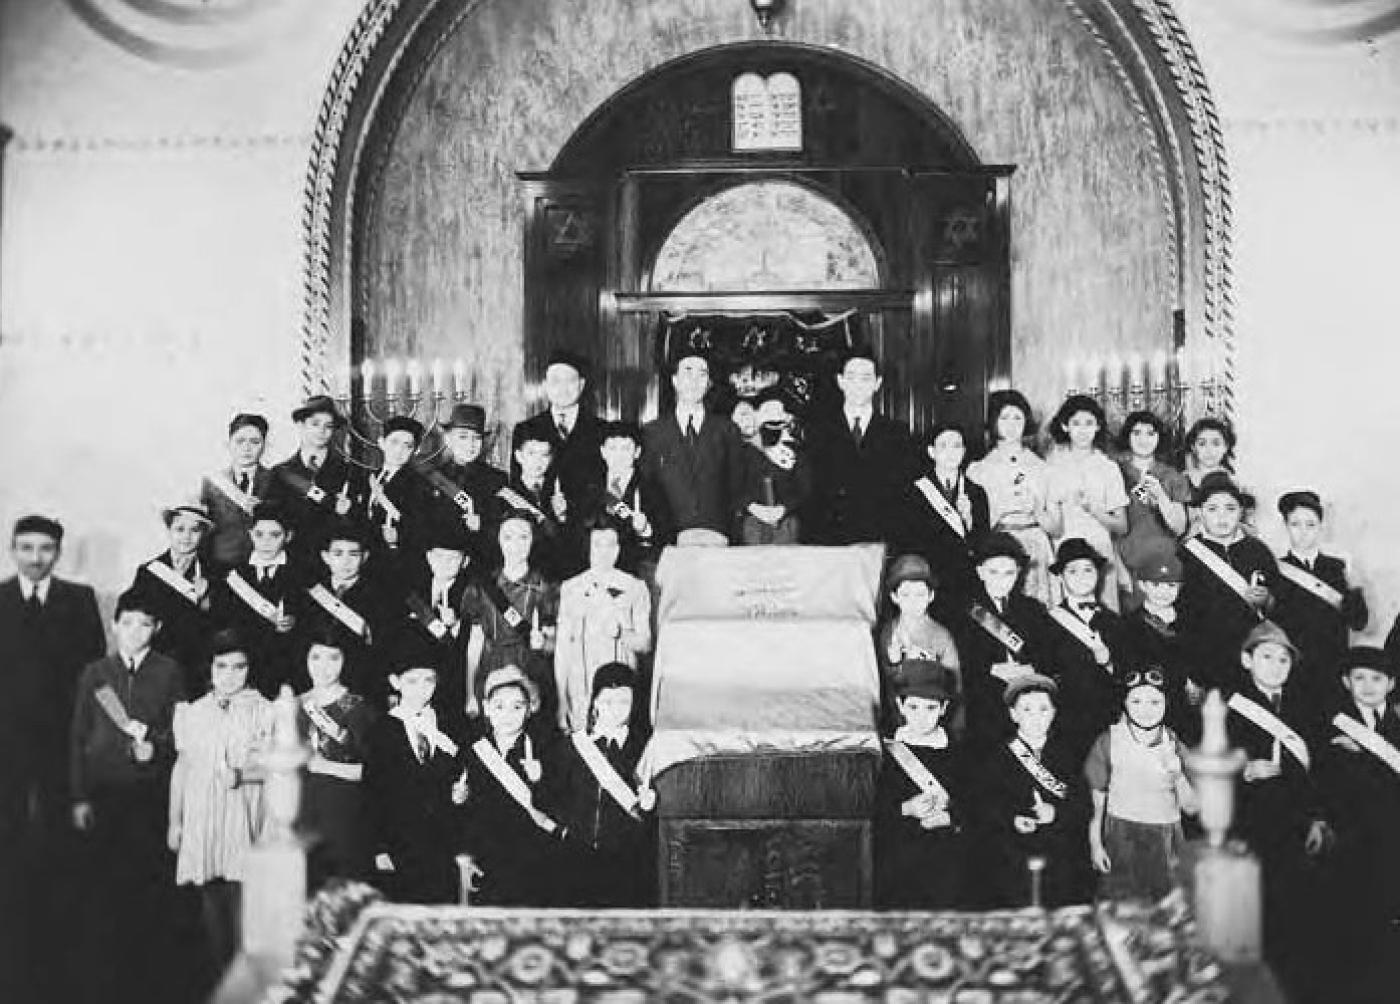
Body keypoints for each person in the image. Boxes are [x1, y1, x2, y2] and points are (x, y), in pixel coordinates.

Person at [0, 515, 105, 1004]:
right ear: (12, 551)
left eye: (45, 548)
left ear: (59, 552)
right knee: (9, 832)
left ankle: (60, 929)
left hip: (62, 738)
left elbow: (93, 674)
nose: (35, 557)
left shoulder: (78, 600)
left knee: (63, 834)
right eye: (26, 548)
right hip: (7, 738)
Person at [69, 588, 187, 1004]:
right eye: (128, 622)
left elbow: (181, 732)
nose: (135, 630)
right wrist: (80, 796)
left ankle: (148, 968)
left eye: (145, 623)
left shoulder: (170, 671)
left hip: (150, 792)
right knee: (104, 883)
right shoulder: (95, 673)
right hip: (105, 792)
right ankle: (106, 967)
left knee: (148, 881)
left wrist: (156, 744)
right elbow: (78, 737)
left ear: (157, 629)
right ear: (115, 625)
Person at [1225, 620, 1331, 999]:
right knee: (1255, 909)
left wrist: (1317, 816)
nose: (1275, 666)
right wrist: (1242, 770)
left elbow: (1318, 767)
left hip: (1295, 822)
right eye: (1266, 657)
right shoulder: (1228, 709)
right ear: (1246, 660)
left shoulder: (1304, 705)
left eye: (1283, 660)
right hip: (1249, 823)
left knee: (1297, 905)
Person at [167, 630, 272, 974]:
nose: (230, 675)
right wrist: (175, 821)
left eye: (238, 667)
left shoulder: (264, 711)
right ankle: (220, 977)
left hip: (244, 819)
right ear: (209, 669)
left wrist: (244, 776)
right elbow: (182, 767)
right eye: (221, 666)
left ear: (250, 669)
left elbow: (278, 770)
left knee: (244, 901)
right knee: (210, 899)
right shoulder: (191, 712)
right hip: (203, 818)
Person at [973, 674, 1090, 908]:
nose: (1036, 718)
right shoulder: (997, 757)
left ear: (1054, 713)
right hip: (1013, 857)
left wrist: (1056, 814)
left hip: (1061, 857)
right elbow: (984, 804)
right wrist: (1012, 818)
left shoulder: (1071, 755)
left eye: (1043, 709)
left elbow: (1084, 803)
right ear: (1013, 714)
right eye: (1027, 710)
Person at [1084, 668, 1198, 902]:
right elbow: (1096, 807)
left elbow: (1192, 808)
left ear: (1166, 704)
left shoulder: (1175, 745)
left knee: (1166, 913)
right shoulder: (1108, 742)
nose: (1145, 709)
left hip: (1165, 840)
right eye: (1136, 700)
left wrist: (1178, 776)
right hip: (1120, 837)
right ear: (1125, 703)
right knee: (1121, 912)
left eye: (1155, 701)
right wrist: (1096, 845)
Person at [1322, 647, 1400, 984]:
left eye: (1377, 678)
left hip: (1394, 830)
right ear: (1345, 682)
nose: (1368, 686)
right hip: (1352, 831)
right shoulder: (1332, 722)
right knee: (1355, 910)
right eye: (1359, 678)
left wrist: (1365, 756)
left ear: (1391, 684)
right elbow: (1330, 780)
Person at [365, 654, 468, 904]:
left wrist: (461, 794)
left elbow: (462, 774)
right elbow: (372, 793)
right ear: (395, 681)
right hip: (399, 842)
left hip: (443, 841)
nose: (421, 689)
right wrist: (378, 848)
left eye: (428, 680)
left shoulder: (450, 724)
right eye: (412, 681)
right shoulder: (381, 729)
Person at [460, 666, 565, 906]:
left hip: (531, 857)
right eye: (499, 707)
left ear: (530, 709)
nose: (508, 714)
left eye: (517, 707)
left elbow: (554, 809)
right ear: (486, 708)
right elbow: (468, 815)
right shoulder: (474, 752)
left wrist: (539, 780)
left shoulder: (547, 750)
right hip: (487, 855)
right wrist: (458, 799)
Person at [555, 662, 657, 907]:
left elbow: (651, 823)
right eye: (607, 701)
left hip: (626, 861)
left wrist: (649, 806)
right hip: (576, 857)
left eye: (623, 702)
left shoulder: (645, 749)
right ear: (595, 703)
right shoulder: (573, 747)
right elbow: (556, 797)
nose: (614, 710)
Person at [873, 659, 969, 909]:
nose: (921, 717)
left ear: (944, 708)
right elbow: (874, 811)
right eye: (913, 707)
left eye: (930, 708)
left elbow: (977, 805)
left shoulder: (960, 754)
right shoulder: (885, 754)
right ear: (900, 705)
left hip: (947, 864)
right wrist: (906, 809)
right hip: (899, 865)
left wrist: (950, 818)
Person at [1177, 472, 1277, 691]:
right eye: (1213, 509)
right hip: (1204, 656)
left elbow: (1280, 601)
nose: (1222, 517)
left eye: (1230, 508)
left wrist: (1267, 600)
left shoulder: (1258, 551)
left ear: (1241, 512)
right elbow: (1181, 614)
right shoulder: (1186, 554)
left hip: (1250, 657)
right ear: (1200, 512)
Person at [804, 350, 914, 545]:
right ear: (840, 381)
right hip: (830, 541)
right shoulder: (817, 431)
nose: (858, 385)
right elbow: (811, 491)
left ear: (877, 384)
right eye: (851, 377)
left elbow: (902, 496)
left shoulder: (897, 433)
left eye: (865, 378)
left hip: (879, 541)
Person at [952, 531, 1051, 748]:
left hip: (1026, 699)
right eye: (993, 572)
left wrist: (1029, 668)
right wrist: (992, 669)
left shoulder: (1032, 610)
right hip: (984, 699)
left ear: (1018, 573)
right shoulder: (965, 612)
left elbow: (1047, 655)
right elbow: (960, 660)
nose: (1001, 581)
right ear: (980, 572)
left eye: (1008, 573)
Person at [1271, 489, 1368, 708]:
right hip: (1292, 672)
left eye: (1310, 525)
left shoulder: (1338, 568)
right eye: (1295, 524)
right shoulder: (1275, 570)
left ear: (1321, 527)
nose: (1303, 532)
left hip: (1334, 668)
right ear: (1286, 526)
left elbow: (1359, 622)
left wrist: (1354, 585)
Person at [554, 519, 653, 732]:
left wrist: (622, 633)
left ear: (618, 549)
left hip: (618, 692)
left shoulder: (635, 587)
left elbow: (645, 644)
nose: (604, 552)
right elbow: (562, 648)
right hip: (580, 689)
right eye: (597, 544)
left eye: (610, 545)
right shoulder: (570, 588)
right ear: (588, 547)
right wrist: (562, 699)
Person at [297, 629, 377, 889]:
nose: (324, 667)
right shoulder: (292, 705)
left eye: (334, 658)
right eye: (316, 657)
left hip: (345, 811)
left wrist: (324, 766)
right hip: (302, 810)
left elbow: (372, 771)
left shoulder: (358, 708)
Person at [641, 351, 746, 546]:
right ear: (674, 380)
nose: (694, 380)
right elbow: (648, 488)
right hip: (668, 542)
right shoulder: (652, 432)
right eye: (688, 372)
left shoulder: (727, 430)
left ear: (708, 384)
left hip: (718, 540)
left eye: (702, 374)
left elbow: (737, 488)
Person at [462, 514, 559, 721]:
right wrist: (470, 692)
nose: (515, 545)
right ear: (498, 540)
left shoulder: (546, 588)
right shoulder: (481, 588)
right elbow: (474, 643)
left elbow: (555, 642)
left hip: (533, 668)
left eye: (523, 537)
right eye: (508, 537)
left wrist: (544, 643)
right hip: (491, 665)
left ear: (533, 540)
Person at [1043, 538, 1132, 760]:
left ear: (1098, 574)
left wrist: (1109, 663)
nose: (1081, 577)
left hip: (1109, 721)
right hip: (1068, 725)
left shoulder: (1116, 623)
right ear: (1061, 577)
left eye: (1088, 570)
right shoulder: (1047, 624)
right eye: (1072, 571)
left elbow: (1128, 676)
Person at [966, 390, 1055, 604]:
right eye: (1004, 417)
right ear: (994, 422)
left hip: (1035, 545)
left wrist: (1036, 510)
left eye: (1018, 417)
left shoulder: (1042, 467)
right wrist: (1002, 508)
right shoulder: (979, 469)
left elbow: (1055, 527)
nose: (1012, 424)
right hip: (997, 547)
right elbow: (972, 528)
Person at [1043, 395, 1128, 610]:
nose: (1082, 430)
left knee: (1103, 617)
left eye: (1089, 423)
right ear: (1065, 426)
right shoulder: (1051, 466)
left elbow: (1122, 526)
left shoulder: (1108, 467)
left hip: (1098, 550)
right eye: (1076, 423)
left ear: (1098, 427)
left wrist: (1095, 511)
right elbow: (1051, 523)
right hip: (1063, 550)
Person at [895, 421, 990, 611]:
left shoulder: (977, 493)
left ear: (964, 451)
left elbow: (983, 543)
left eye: (957, 446)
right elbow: (908, 542)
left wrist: (968, 523)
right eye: (943, 446)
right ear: (932, 452)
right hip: (930, 582)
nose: (951, 452)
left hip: (968, 582)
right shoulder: (914, 492)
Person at [213, 503, 303, 697]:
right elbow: (223, 619)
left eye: (275, 535)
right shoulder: (234, 574)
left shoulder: (302, 574)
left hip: (288, 668)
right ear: (251, 534)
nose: (266, 542)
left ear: (288, 536)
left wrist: (296, 622)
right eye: (259, 534)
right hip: (244, 668)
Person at [301, 520, 394, 706]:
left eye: (353, 554)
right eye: (338, 554)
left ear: (365, 557)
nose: (346, 561)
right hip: (315, 685)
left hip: (361, 687)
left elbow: (385, 648)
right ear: (325, 557)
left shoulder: (380, 597)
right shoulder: (310, 594)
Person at [130, 501, 220, 693]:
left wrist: (204, 601)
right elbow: (136, 622)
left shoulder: (216, 573)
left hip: (199, 668)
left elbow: (222, 624)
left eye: (194, 530)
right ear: (169, 531)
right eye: (180, 529)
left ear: (203, 534)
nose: (186, 537)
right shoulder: (149, 572)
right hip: (157, 663)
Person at [394, 520, 476, 721]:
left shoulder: (473, 593)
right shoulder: (411, 589)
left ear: (465, 562)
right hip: (413, 687)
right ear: (429, 557)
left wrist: (455, 627)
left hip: (452, 685)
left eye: (453, 558)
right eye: (439, 556)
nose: (445, 563)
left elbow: (474, 648)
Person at [268, 395, 365, 564]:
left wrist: (348, 512)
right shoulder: (280, 473)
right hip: (292, 562)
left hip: (334, 564)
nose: (322, 431)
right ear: (300, 425)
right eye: (315, 424)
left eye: (328, 426)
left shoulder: (349, 472)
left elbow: (361, 525)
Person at [511, 351, 606, 519]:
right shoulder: (526, 428)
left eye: (570, 381)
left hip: (588, 527)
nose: (563, 388)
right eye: (555, 381)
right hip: (540, 529)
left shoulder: (601, 429)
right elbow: (517, 487)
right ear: (545, 385)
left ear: (582, 385)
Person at [1120, 544, 1200, 742]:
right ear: (1142, 585)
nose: (1163, 592)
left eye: (1171, 585)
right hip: (1149, 707)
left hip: (1186, 707)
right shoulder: (1130, 624)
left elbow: (1200, 659)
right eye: (1156, 585)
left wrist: (1198, 683)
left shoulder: (1190, 621)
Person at [876, 555, 961, 732]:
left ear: (931, 596)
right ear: (894, 597)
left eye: (920, 594)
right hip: (895, 718)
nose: (913, 601)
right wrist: (894, 663)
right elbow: (879, 681)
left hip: (931, 721)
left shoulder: (941, 636)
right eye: (906, 594)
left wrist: (929, 665)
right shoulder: (887, 633)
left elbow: (954, 685)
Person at [1113, 410, 1189, 602]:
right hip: (1127, 563)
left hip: (1164, 565)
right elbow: (1110, 527)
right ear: (1127, 436)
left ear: (1159, 438)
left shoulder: (1172, 476)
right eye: (1136, 433)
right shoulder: (1115, 472)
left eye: (1150, 433)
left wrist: (1161, 497)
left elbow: (1179, 528)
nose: (1143, 439)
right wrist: (1119, 568)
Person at [575, 420, 666, 575]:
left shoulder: (650, 488)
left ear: (637, 452)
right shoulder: (588, 487)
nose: (618, 455)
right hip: (592, 569)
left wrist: (645, 530)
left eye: (625, 449)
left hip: (634, 569)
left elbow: (665, 535)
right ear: (603, 451)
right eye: (612, 448)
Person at [424, 403, 507, 561]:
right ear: (448, 439)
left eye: (477, 438)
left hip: (480, 562)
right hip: (441, 564)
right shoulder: (432, 478)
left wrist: (482, 526)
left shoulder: (496, 479)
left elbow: (504, 529)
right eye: (463, 436)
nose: (470, 444)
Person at [736, 390, 812, 545]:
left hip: (786, 524)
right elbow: (732, 484)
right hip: (752, 524)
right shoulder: (743, 451)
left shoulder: (795, 451)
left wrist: (783, 509)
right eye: (768, 421)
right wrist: (753, 507)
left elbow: (805, 488)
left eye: (778, 421)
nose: (773, 426)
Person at [200, 413, 274, 568]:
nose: (246, 448)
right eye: (240, 441)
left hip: (263, 569)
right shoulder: (212, 484)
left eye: (255, 442)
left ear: (265, 446)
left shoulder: (276, 480)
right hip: (220, 569)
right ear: (228, 444)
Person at [501, 426, 570, 578]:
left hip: (554, 577)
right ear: (519, 456)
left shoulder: (563, 493)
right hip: (520, 577)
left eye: (544, 455)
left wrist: (562, 518)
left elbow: (572, 546)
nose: (538, 461)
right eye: (531, 453)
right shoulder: (506, 494)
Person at [365, 415, 434, 563]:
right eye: (394, 442)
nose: (399, 450)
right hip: (368, 560)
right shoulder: (369, 478)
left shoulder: (420, 484)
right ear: (381, 443)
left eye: (407, 445)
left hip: (401, 562)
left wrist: (400, 535)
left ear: (414, 451)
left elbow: (425, 531)